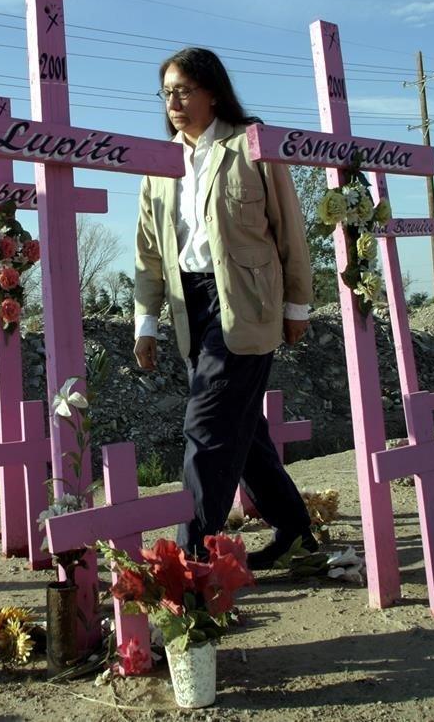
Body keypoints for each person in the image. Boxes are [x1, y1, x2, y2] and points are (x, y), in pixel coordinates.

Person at [133, 47, 317, 570]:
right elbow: (149, 252)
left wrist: (297, 305)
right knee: (243, 427)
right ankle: (297, 533)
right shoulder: (159, 164)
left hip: (246, 302)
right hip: (188, 304)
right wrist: (146, 323)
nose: (174, 101)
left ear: (213, 91)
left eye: (184, 89)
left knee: (208, 425)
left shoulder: (249, 145)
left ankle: (188, 559)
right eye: (167, 91)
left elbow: (289, 228)